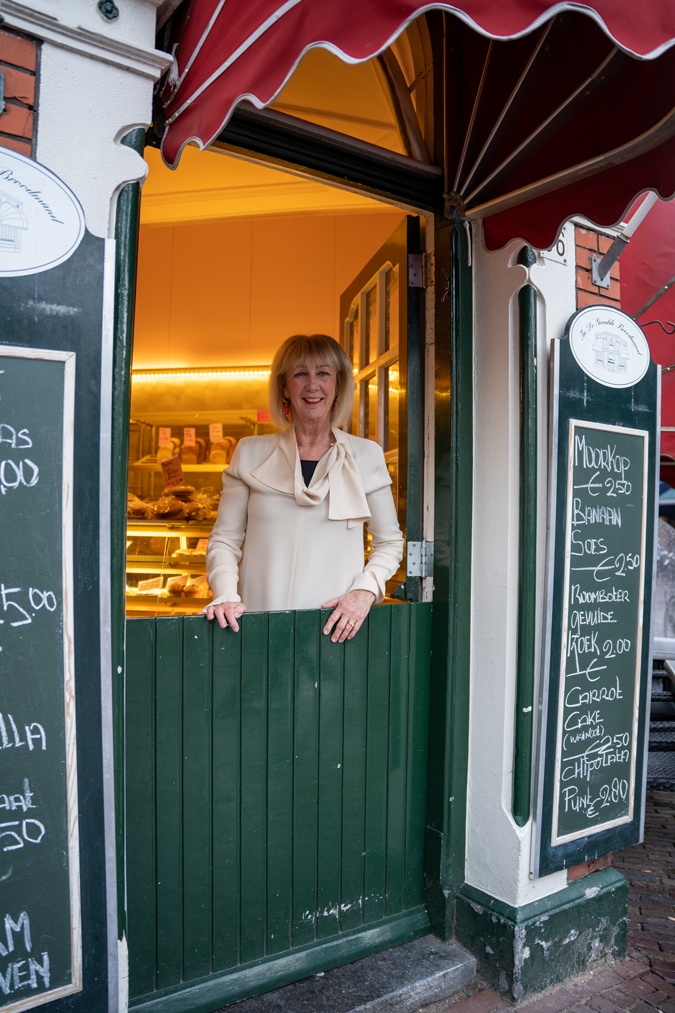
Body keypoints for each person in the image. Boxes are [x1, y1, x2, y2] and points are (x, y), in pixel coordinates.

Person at [203, 333, 404, 642]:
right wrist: (226, 594)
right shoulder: (250, 452)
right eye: (300, 374)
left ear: (337, 384)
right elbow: (224, 541)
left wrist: (364, 592)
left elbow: (389, 543)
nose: (313, 385)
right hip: (256, 626)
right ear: (284, 386)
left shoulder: (366, 455)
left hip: (336, 630)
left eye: (323, 373)